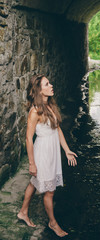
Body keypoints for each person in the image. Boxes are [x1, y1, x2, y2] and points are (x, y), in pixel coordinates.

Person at [17, 74, 77, 237]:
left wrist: (66, 149)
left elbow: (57, 129)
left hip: (53, 152)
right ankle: (53, 223)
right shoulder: (35, 111)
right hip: (42, 151)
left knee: (34, 182)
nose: (51, 86)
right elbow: (29, 138)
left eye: (49, 83)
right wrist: (31, 163)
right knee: (49, 191)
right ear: (39, 90)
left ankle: (23, 212)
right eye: (47, 84)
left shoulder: (50, 105)